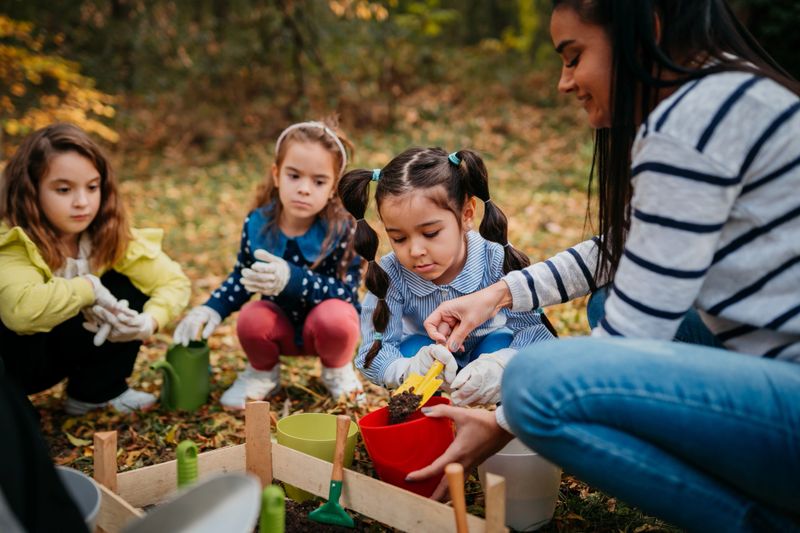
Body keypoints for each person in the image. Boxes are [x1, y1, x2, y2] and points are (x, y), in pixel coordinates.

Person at [408, 1, 800, 531]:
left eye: (574, 57)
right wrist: (496, 295)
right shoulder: (726, 90)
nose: (563, 83)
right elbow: (623, 246)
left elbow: (631, 341)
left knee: (534, 385)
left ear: (646, 30)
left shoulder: (689, 124)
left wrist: (504, 411)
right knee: (605, 299)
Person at [337, 147, 554, 405]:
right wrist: (408, 370)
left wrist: (500, 363)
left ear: (467, 215)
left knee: (501, 344)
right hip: (431, 360)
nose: (416, 251)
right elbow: (373, 352)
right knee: (412, 349)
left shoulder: (495, 259)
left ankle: (504, 424)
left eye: (430, 233)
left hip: (488, 352)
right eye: (399, 238)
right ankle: (428, 426)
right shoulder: (391, 274)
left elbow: (536, 333)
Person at [0, 123, 191, 415]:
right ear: (31, 190)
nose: (82, 202)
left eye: (92, 187)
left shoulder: (103, 233)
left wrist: (148, 322)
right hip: (14, 365)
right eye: (63, 189)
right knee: (23, 439)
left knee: (129, 282)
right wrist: (88, 287)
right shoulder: (12, 238)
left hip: (59, 353)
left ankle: (96, 391)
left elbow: (173, 281)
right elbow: (21, 313)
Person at [173, 119, 364, 408]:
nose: (304, 189)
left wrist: (293, 278)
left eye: (319, 181)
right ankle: (263, 373)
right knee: (252, 315)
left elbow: (347, 295)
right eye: (294, 176)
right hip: (279, 327)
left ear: (334, 188)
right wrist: (212, 308)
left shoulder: (344, 229)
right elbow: (243, 277)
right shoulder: (258, 223)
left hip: (325, 330)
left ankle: (337, 371)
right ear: (276, 175)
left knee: (337, 317)